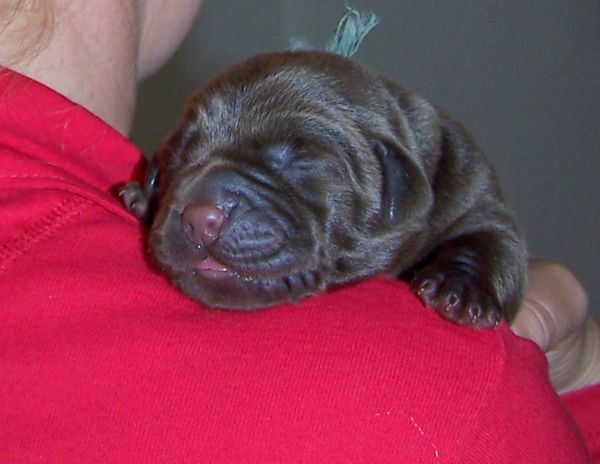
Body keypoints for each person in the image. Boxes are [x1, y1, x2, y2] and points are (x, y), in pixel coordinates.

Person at [1, 1, 598, 462]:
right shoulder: (452, 406)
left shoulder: (448, 179)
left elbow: (489, 234)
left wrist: (473, 273)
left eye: (294, 165)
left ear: (398, 184)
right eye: (183, 162)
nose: (204, 212)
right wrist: (585, 382)